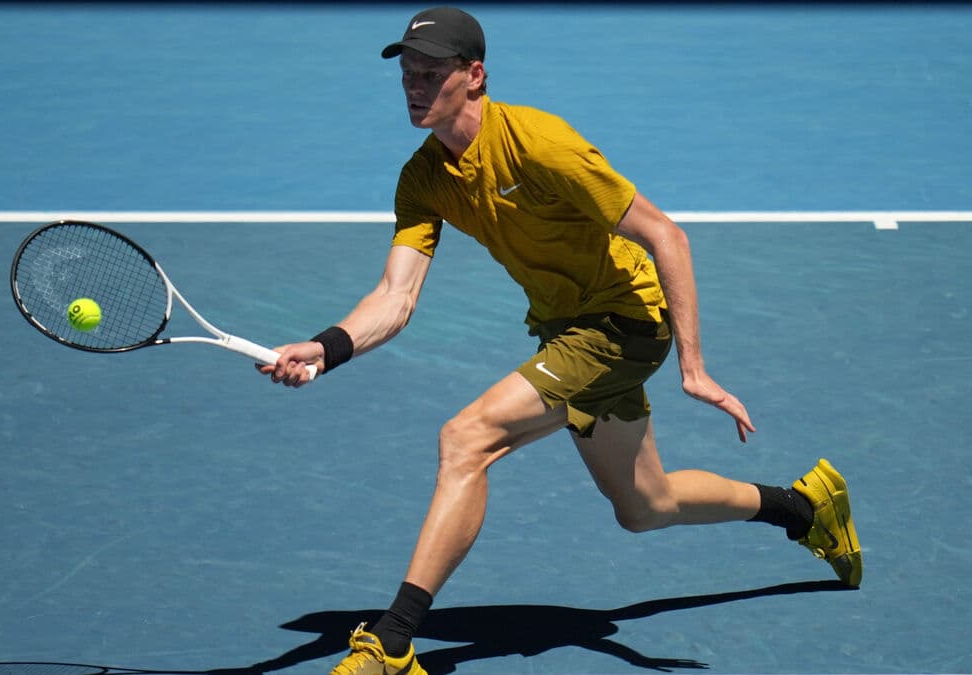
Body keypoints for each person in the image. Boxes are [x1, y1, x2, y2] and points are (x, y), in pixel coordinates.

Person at [258, 7, 861, 675]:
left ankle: (394, 642)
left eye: (430, 73)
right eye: (407, 74)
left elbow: (666, 235)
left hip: (625, 322)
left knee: (467, 438)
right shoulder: (423, 178)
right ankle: (805, 507)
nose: (414, 86)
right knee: (645, 505)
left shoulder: (541, 144)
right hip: (564, 328)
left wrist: (693, 367)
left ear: (474, 75)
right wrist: (328, 347)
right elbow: (395, 298)